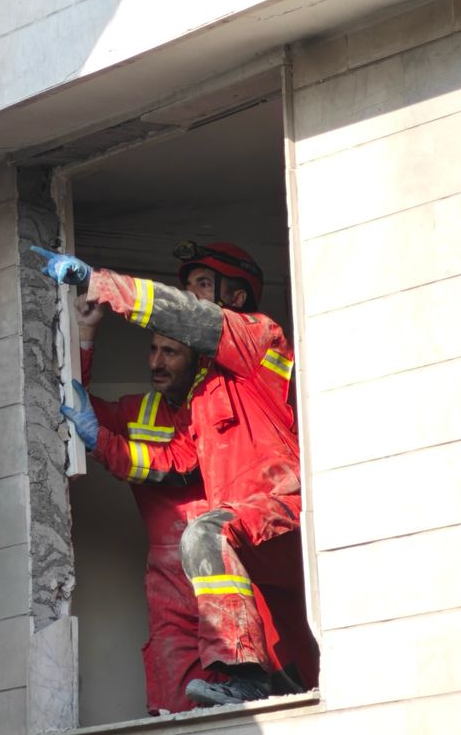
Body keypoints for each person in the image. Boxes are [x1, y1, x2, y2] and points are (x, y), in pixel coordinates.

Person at [37, 241, 316, 708]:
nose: (192, 297)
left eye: (203, 286)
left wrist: (100, 283)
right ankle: (249, 680)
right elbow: (176, 460)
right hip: (228, 538)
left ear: (238, 296)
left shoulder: (258, 337)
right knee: (182, 694)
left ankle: (248, 675)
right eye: (188, 288)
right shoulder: (203, 396)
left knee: (208, 538)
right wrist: (99, 438)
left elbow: (192, 320)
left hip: (277, 510)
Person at [74, 297, 212, 715]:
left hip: (218, 560)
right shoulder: (139, 410)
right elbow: (76, 402)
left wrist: (104, 443)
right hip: (166, 571)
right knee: (173, 692)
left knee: (230, 683)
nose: (156, 361)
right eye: (152, 350)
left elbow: (179, 465)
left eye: (169, 352)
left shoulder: (213, 406)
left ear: (196, 361)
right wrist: (85, 335)